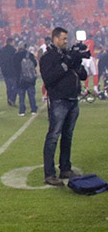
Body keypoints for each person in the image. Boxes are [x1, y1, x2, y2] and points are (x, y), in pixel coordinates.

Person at [39, 27, 86, 186]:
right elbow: (49, 79)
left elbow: (83, 75)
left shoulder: (66, 54)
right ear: (56, 39)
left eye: (67, 39)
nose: (66, 42)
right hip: (59, 100)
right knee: (53, 136)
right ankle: (49, 174)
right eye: (64, 39)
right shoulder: (47, 57)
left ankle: (65, 168)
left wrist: (77, 61)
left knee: (68, 136)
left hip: (73, 99)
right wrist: (66, 63)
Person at [15, 43, 39, 117]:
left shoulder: (16, 55)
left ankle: (22, 111)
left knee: (21, 95)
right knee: (31, 94)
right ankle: (33, 109)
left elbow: (14, 66)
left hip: (20, 78)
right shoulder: (30, 55)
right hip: (30, 78)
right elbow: (35, 64)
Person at [0, 38, 18, 107]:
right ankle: (12, 99)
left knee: (8, 87)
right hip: (13, 71)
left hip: (5, 71)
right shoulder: (13, 50)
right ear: (11, 42)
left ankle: (9, 100)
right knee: (15, 86)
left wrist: (2, 65)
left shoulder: (2, 50)